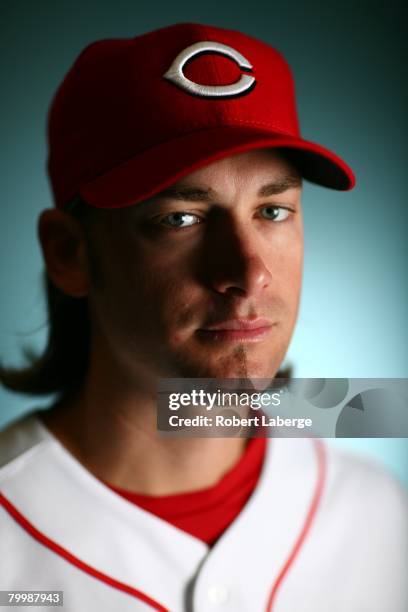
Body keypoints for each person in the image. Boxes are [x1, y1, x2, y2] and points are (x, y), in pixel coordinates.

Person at [0, 22, 406, 612]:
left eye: (272, 210)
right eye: (181, 219)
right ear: (69, 253)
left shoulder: (375, 509)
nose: (248, 270)